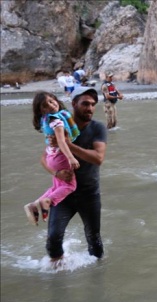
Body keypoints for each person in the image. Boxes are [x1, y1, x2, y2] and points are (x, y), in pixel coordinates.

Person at [42, 86, 107, 265]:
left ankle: (98, 276)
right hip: (63, 193)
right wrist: (56, 172)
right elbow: (44, 158)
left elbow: (98, 158)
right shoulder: (58, 124)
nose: (90, 108)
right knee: (53, 238)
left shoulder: (97, 128)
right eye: (85, 104)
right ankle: (57, 278)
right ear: (74, 104)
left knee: (94, 240)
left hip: (89, 193)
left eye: (93, 104)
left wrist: (67, 144)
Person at [24, 92, 81, 225]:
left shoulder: (46, 119)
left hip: (51, 156)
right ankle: (48, 201)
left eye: (51, 101)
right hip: (60, 157)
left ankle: (34, 205)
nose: (51, 105)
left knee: (56, 186)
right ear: (41, 110)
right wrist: (71, 157)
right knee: (70, 185)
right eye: (45, 105)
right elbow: (61, 141)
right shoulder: (57, 120)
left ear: (56, 99)